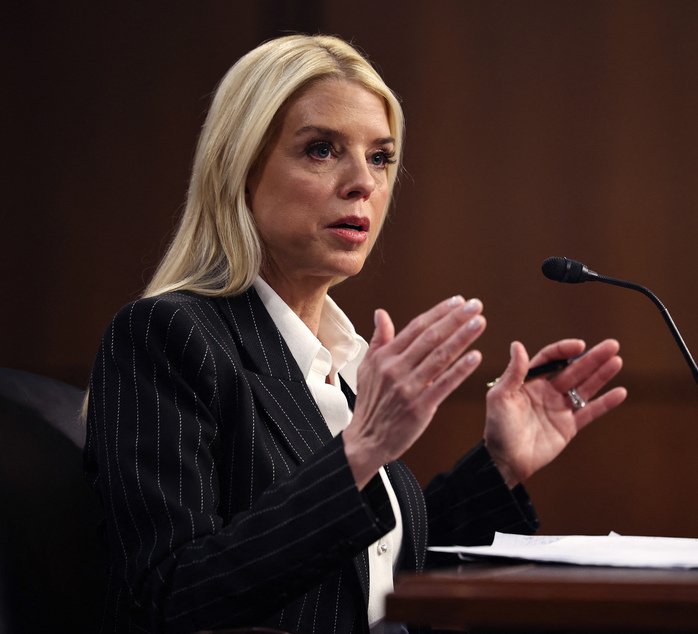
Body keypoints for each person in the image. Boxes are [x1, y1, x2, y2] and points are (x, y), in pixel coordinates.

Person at [83, 34, 627, 634]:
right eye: (321, 150)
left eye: (380, 157)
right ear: (239, 167)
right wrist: (360, 451)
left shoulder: (336, 360)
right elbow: (169, 597)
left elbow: (372, 573)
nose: (362, 182)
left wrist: (498, 465)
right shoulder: (168, 336)